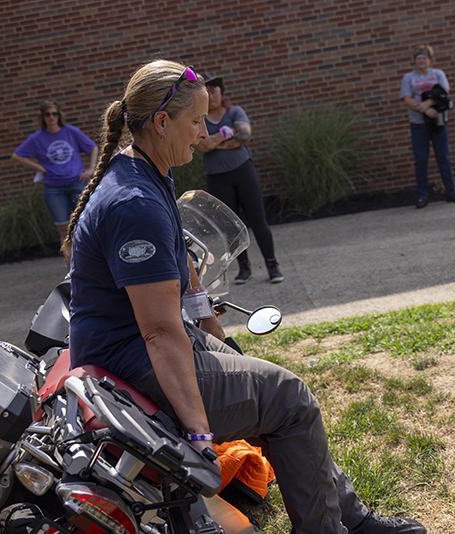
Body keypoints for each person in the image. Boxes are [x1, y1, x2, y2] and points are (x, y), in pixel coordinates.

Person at [63, 59, 426, 534]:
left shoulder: (148, 169)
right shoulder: (134, 205)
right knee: (291, 398)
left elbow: (184, 269)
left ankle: (350, 518)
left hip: (143, 349)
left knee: (271, 388)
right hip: (130, 369)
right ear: (161, 122)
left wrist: (217, 336)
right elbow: (157, 329)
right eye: (196, 121)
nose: (203, 132)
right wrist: (197, 434)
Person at [194, 75, 283, 284]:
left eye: (214, 90)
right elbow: (202, 147)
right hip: (217, 178)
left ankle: (272, 265)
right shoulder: (201, 120)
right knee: (231, 226)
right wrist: (227, 135)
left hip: (244, 172)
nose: (211, 95)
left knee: (258, 220)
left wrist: (215, 141)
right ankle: (244, 268)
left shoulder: (235, 112)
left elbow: (244, 137)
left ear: (221, 92)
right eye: (206, 91)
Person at [12, 100, 97, 245]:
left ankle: (92, 261)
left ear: (59, 115)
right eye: (47, 114)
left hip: (77, 182)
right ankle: (70, 264)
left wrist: (91, 169)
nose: (51, 117)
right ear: (42, 117)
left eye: (54, 114)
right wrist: (40, 168)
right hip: (54, 189)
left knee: (87, 223)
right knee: (64, 229)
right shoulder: (37, 138)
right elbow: (17, 156)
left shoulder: (70, 131)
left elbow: (92, 147)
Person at [401, 44, 455, 208]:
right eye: (418, 58)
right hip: (418, 124)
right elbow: (406, 98)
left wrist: (427, 104)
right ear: (415, 61)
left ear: (430, 60)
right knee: (421, 160)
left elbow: (444, 92)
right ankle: (422, 195)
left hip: (439, 122)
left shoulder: (438, 74)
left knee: (443, 157)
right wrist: (424, 110)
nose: (421, 61)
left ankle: (451, 191)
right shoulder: (408, 78)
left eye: (424, 58)